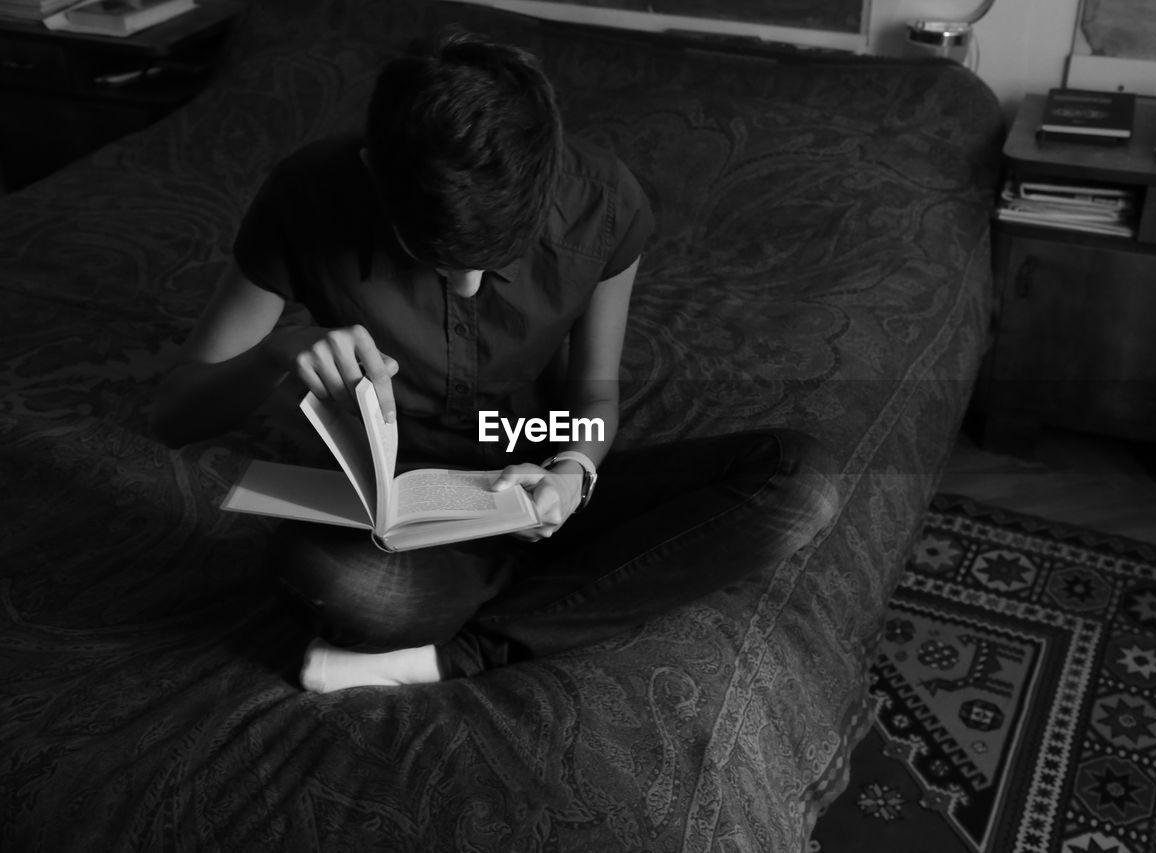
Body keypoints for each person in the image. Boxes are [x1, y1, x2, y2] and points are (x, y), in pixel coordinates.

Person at [152, 31, 839, 692]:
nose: (468, 289)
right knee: (331, 582)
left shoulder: (600, 201)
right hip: (399, 518)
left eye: (498, 258)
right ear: (375, 176)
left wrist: (573, 472)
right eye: (435, 259)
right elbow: (175, 412)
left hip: (528, 468)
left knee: (799, 482)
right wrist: (279, 350)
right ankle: (574, 586)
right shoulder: (307, 195)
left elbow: (594, 400)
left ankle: (463, 652)